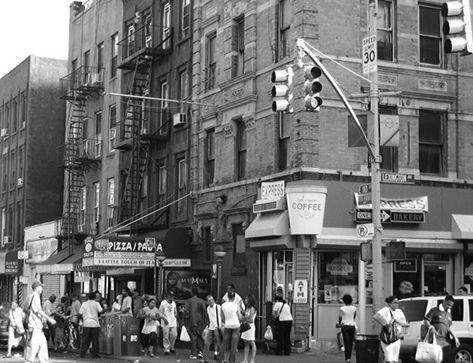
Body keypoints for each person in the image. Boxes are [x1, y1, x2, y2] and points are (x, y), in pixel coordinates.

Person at [25, 280, 56, 363]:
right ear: (37, 288)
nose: (42, 289)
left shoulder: (30, 296)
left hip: (36, 325)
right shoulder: (35, 296)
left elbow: (27, 308)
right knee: (34, 344)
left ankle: (43, 360)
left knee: (42, 343)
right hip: (34, 325)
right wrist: (49, 318)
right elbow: (38, 310)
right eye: (41, 287)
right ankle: (29, 360)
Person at [424, 294, 459, 363]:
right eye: (448, 305)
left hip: (446, 341)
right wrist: (431, 327)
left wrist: (455, 337)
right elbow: (426, 321)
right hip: (435, 341)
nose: (449, 307)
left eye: (451, 306)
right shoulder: (434, 310)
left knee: (445, 360)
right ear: (444, 301)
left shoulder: (448, 313)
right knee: (435, 360)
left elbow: (449, 327)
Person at [374, 296, 409, 363]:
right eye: (395, 303)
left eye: (397, 303)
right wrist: (386, 324)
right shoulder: (386, 310)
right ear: (389, 304)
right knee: (388, 358)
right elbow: (376, 316)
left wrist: (396, 320)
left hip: (396, 337)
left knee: (394, 359)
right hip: (388, 337)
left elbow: (404, 323)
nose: (397, 305)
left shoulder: (399, 311)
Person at [185, 286, 209, 359]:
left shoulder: (189, 301)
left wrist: (185, 322)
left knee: (193, 337)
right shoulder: (201, 301)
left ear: (192, 293)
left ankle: (193, 353)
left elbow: (186, 311)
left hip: (192, 321)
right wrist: (206, 322)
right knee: (199, 337)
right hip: (200, 322)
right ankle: (200, 352)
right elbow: (205, 312)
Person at [221, 285, 242, 363]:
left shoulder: (223, 305)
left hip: (227, 324)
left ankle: (220, 359)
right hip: (236, 325)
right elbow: (239, 317)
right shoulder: (236, 305)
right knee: (234, 345)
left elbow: (222, 317)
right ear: (234, 298)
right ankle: (232, 361)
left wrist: (226, 320)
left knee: (224, 343)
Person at [79, 292, 103, 359]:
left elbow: (80, 313)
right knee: (95, 340)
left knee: (85, 339)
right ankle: (95, 354)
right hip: (94, 324)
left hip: (86, 323)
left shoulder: (84, 304)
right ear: (94, 297)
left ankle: (82, 353)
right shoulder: (96, 303)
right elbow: (101, 311)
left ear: (88, 297)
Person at [203, 295, 222, 363]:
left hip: (217, 327)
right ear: (207, 302)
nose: (211, 301)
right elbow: (209, 318)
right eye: (209, 300)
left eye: (212, 300)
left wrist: (220, 325)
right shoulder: (208, 308)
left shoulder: (218, 307)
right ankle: (205, 358)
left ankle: (221, 358)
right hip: (211, 327)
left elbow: (222, 316)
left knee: (219, 343)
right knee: (207, 343)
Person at [338, 294, 357, 363]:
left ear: (344, 301)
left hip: (345, 326)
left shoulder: (342, 308)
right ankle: (349, 357)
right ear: (351, 300)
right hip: (352, 325)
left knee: (346, 342)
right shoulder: (354, 308)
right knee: (351, 342)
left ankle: (347, 358)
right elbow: (354, 317)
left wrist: (340, 323)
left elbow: (340, 317)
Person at [241, 294, 257, 363]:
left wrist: (243, 319)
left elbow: (251, 319)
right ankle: (245, 359)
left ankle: (252, 360)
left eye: (247, 299)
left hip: (250, 327)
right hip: (246, 327)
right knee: (246, 343)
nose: (245, 300)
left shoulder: (252, 309)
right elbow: (246, 316)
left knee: (252, 342)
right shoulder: (247, 308)